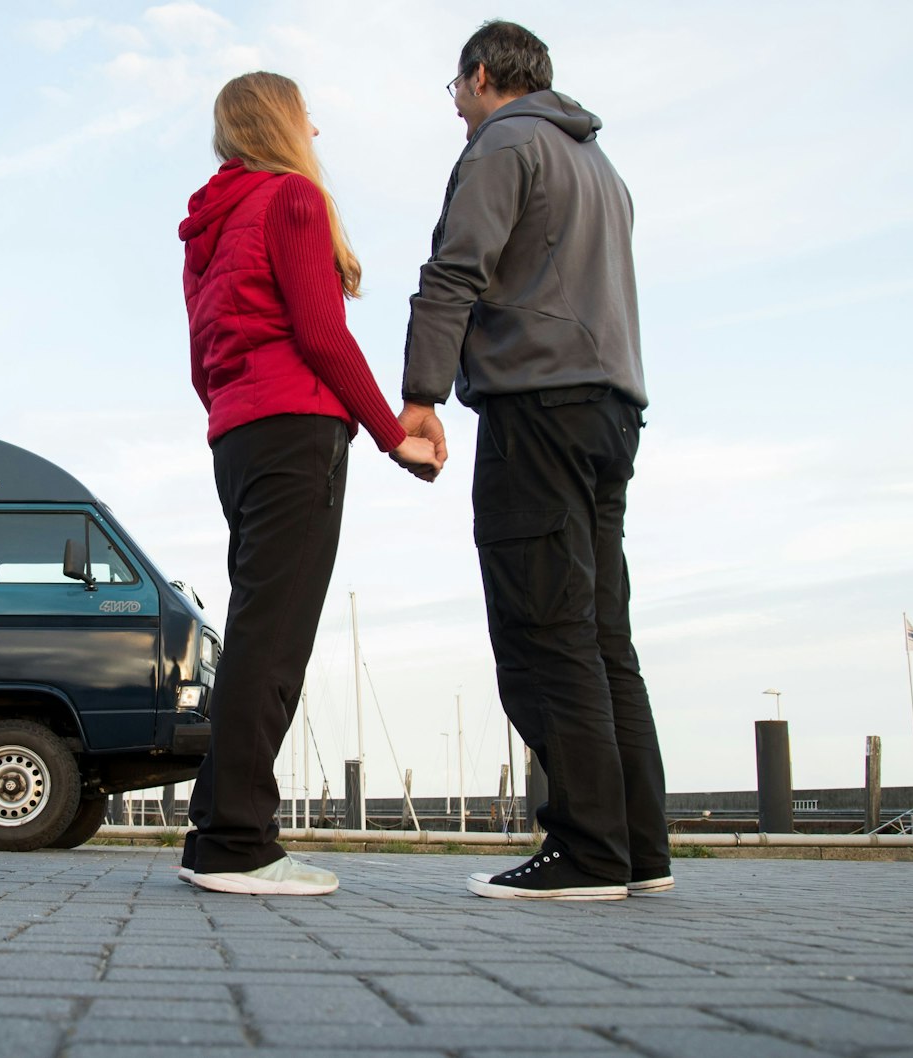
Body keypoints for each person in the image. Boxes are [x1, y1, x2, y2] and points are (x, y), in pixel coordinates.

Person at [400, 21, 666, 901]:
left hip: (537, 409)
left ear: (480, 76)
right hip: (611, 407)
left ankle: (587, 855)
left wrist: (421, 395)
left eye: (455, 91)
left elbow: (455, 272)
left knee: (541, 630)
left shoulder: (503, 145)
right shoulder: (600, 165)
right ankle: (638, 849)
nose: (458, 109)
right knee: (601, 633)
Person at [177, 71, 441, 896]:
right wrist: (395, 436)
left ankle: (219, 831)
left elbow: (199, 361)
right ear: (281, 124)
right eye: (306, 117)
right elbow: (325, 338)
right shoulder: (290, 200)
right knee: (276, 637)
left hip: (240, 434)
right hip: (296, 432)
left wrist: (234, 414)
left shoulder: (206, 227)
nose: (317, 132)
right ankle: (236, 844)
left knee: (258, 630)